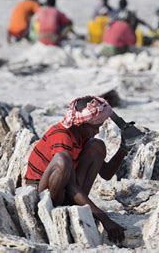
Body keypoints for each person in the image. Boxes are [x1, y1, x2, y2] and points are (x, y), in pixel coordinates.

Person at [25, 96, 130, 242]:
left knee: (97, 146)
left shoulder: (81, 136)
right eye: (95, 126)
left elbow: (106, 174)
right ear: (82, 124)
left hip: (66, 187)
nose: (97, 130)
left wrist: (124, 147)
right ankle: (56, 211)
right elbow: (71, 186)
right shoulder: (61, 136)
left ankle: (74, 205)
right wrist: (104, 218)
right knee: (62, 160)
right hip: (40, 193)